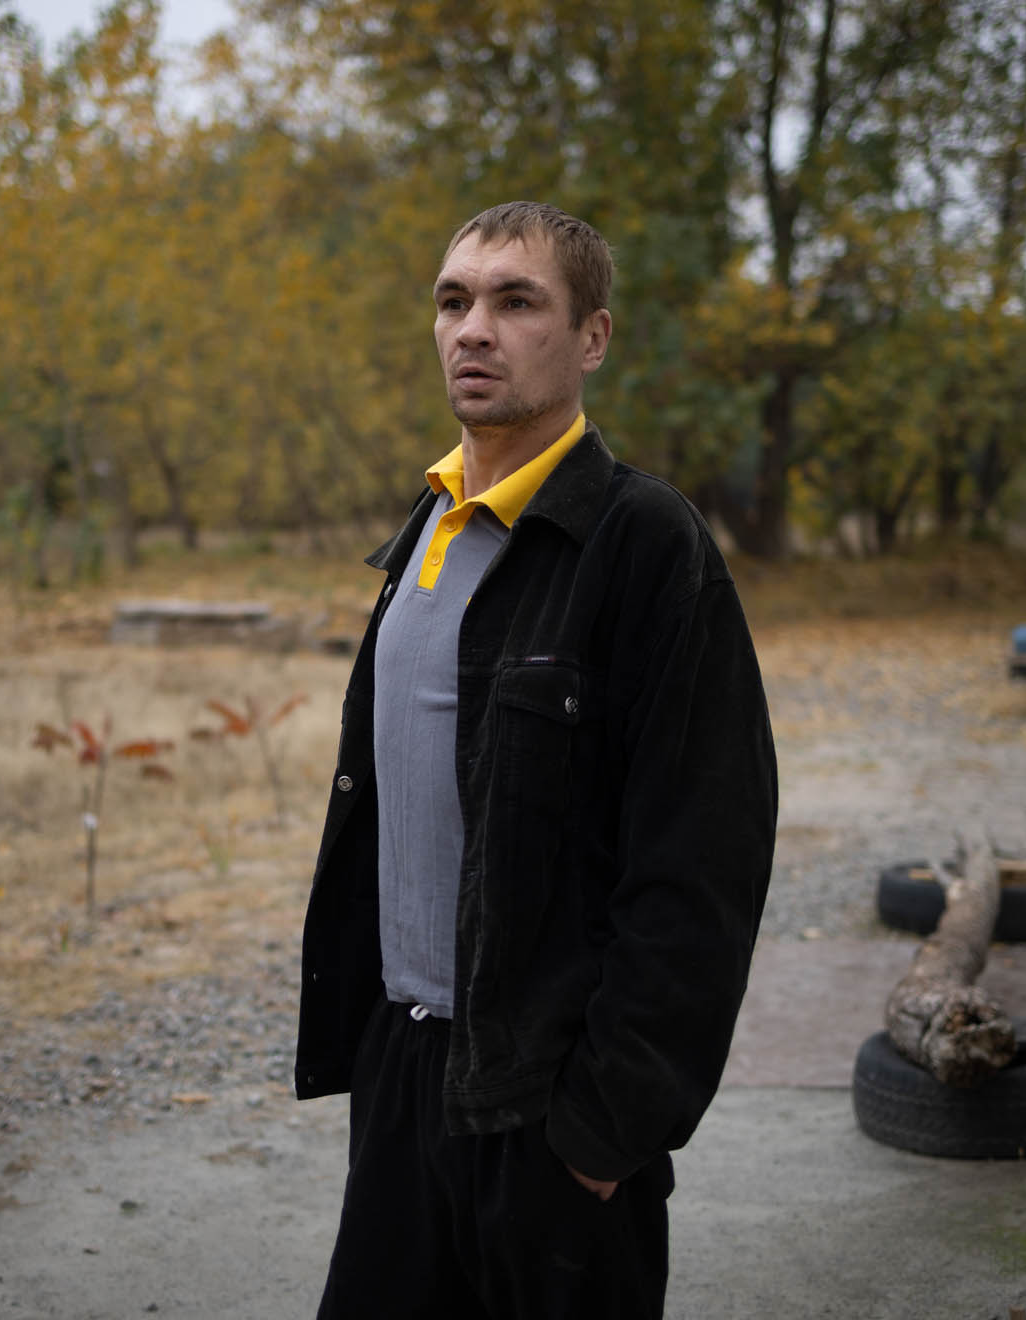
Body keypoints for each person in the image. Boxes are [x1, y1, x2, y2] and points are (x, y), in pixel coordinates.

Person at [295, 201, 778, 1319]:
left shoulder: (644, 545)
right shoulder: (428, 526)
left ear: (592, 338)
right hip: (407, 1075)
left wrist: (608, 1128)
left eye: (518, 302)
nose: (475, 329)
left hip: (548, 1108)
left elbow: (702, 862)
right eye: (455, 301)